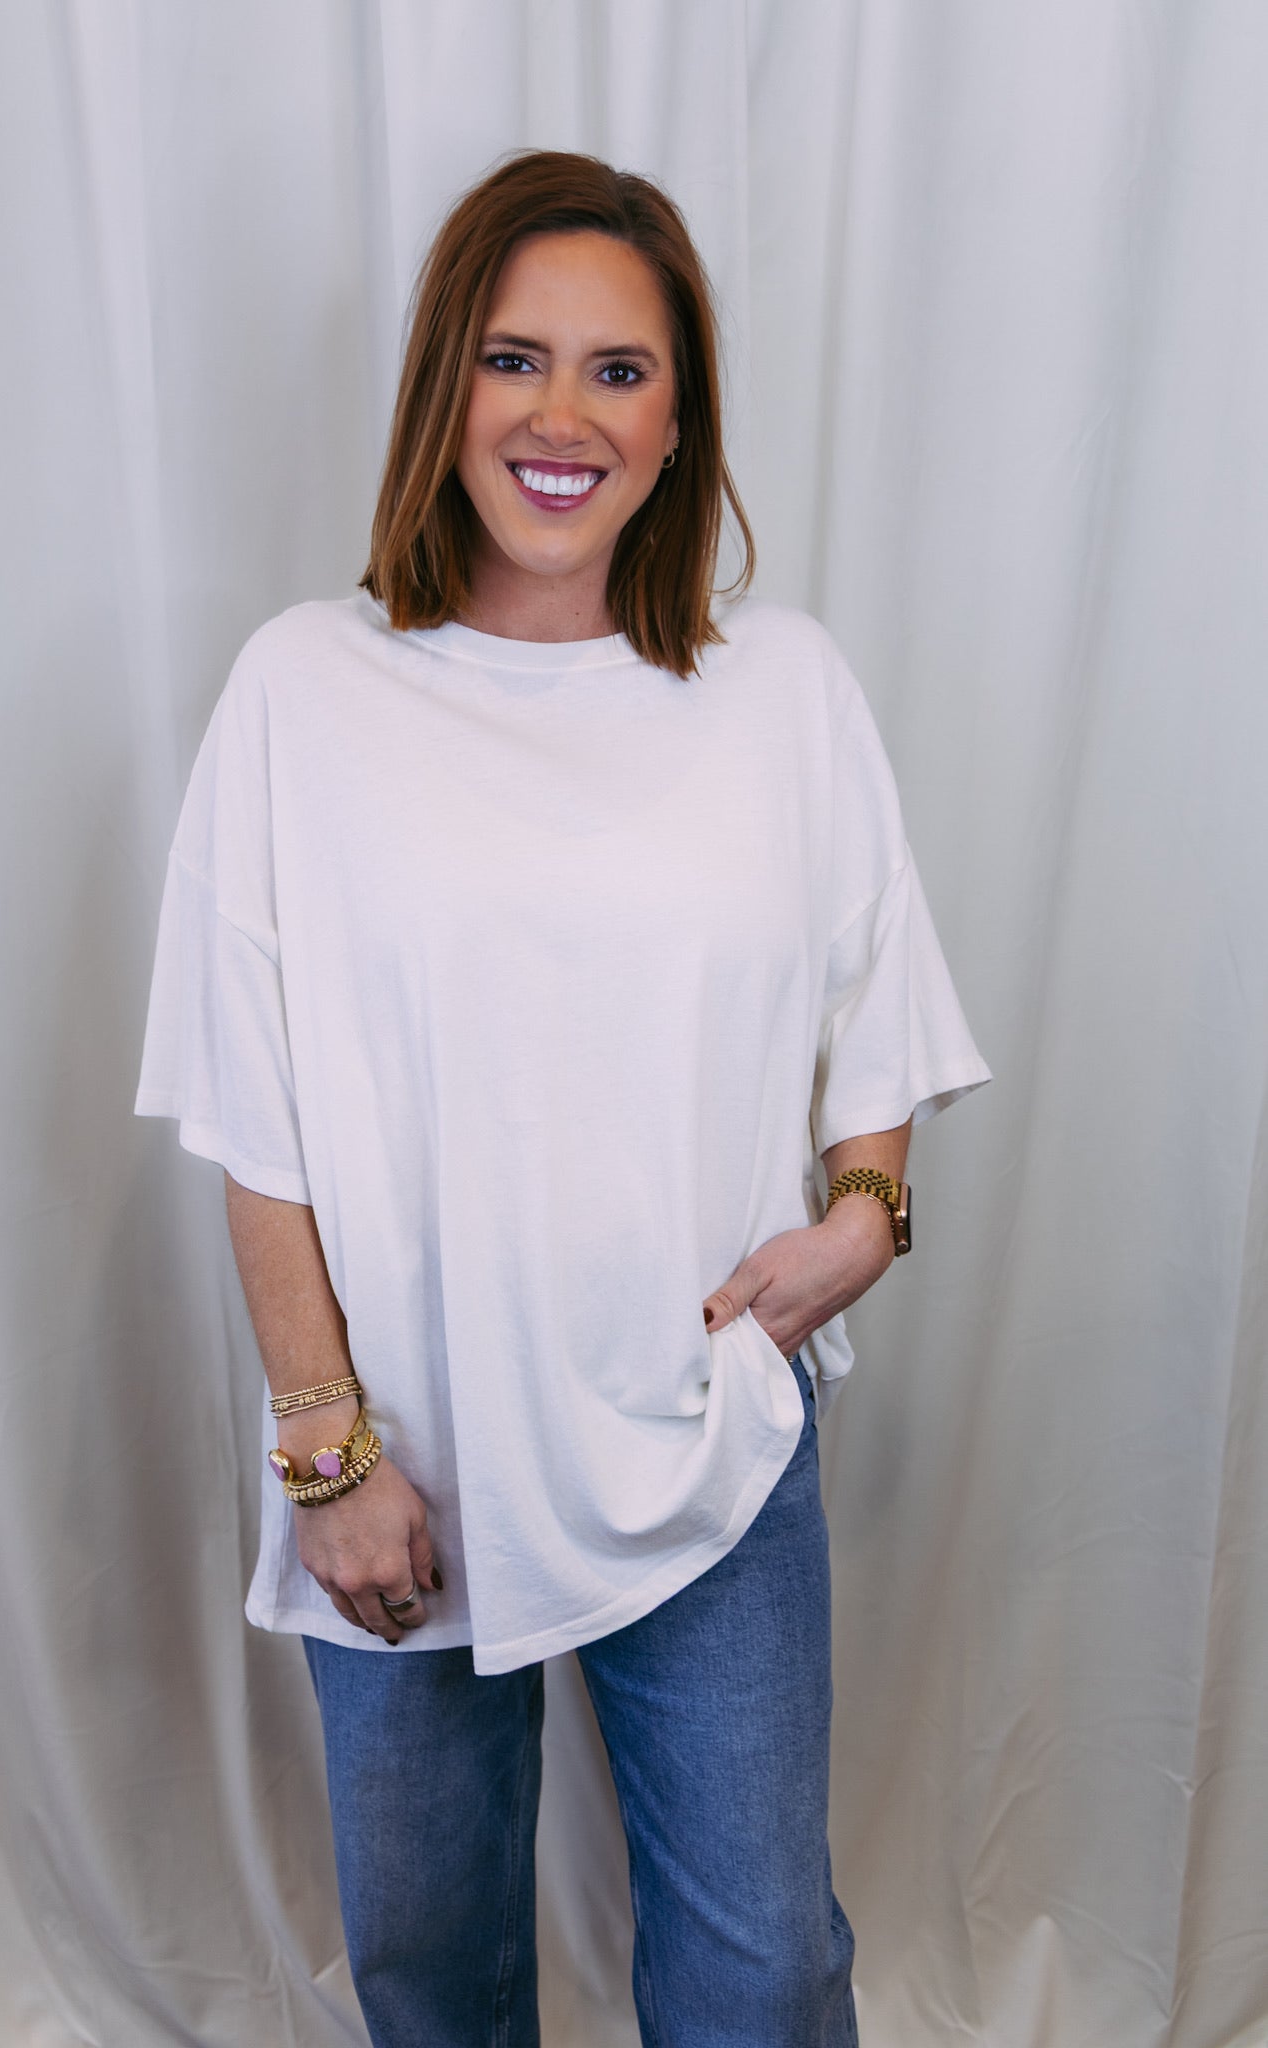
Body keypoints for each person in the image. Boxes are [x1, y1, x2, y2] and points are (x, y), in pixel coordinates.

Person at [134, 148, 990, 2048]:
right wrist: (329, 1452)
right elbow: (248, 1116)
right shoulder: (304, 691)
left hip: (708, 1430)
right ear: (445, 388)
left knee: (763, 1972)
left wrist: (863, 1224)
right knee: (435, 1978)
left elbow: (879, 1024)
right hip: (397, 1463)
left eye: (619, 371)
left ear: (679, 426)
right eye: (515, 358)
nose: (559, 415)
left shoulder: (781, 691)